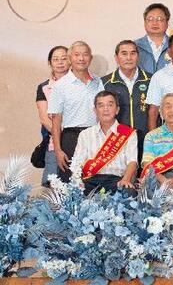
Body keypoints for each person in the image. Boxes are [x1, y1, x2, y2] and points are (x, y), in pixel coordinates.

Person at [50, 41, 103, 181]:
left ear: (90, 58)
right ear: (69, 58)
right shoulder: (60, 86)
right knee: (70, 181)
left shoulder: (98, 81)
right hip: (71, 138)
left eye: (85, 54)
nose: (81, 58)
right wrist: (58, 150)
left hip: (95, 137)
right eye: (77, 55)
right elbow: (56, 120)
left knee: (95, 180)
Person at [71, 90, 138, 194]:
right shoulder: (85, 134)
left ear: (117, 110)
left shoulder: (128, 133)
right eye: (101, 105)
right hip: (90, 180)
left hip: (117, 180)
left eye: (110, 105)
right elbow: (77, 163)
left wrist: (125, 180)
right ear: (95, 110)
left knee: (128, 193)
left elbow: (132, 162)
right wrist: (77, 182)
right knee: (72, 194)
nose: (106, 109)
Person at [101, 40, 151, 162]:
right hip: (117, 143)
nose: (129, 58)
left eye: (133, 53)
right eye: (124, 53)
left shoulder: (151, 79)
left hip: (146, 141)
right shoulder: (105, 82)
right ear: (116, 58)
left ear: (138, 56)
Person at [36, 45, 69, 185]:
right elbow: (44, 119)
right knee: (52, 186)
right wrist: (62, 135)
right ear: (50, 62)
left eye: (64, 58)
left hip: (79, 141)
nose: (60, 62)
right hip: (54, 143)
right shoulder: (43, 87)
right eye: (56, 59)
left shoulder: (80, 83)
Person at [136, 3, 171, 74]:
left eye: (159, 19)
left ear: (167, 23)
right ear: (145, 23)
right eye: (150, 19)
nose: (155, 23)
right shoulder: (135, 46)